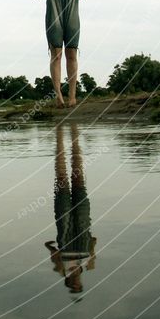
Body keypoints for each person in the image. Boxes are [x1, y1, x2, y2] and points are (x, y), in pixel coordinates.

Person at [45, 124, 96, 294]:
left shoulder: (61, 269)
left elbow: (53, 252)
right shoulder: (89, 265)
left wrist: (51, 247)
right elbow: (93, 243)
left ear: (68, 282)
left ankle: (59, 133)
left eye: (73, 285)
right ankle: (74, 132)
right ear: (80, 282)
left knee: (62, 176)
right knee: (78, 176)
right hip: (82, 218)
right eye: (78, 284)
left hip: (64, 216)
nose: (76, 281)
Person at [35, 0, 82, 107]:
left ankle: (72, 96)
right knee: (56, 54)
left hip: (72, 15)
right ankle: (58, 96)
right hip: (54, 14)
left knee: (72, 53)